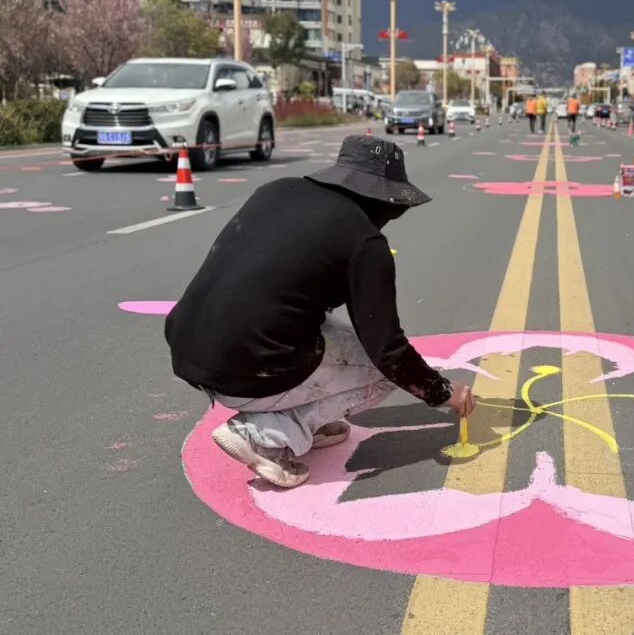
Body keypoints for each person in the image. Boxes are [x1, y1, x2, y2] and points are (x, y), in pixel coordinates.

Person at [165, 135, 477, 489]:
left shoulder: (277, 190)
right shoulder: (364, 242)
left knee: (328, 330)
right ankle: (263, 434)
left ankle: (302, 419)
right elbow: (388, 352)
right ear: (385, 199)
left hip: (188, 348)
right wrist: (442, 391)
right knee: (383, 372)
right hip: (245, 370)